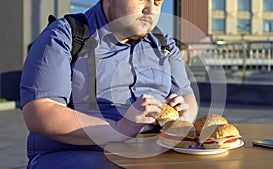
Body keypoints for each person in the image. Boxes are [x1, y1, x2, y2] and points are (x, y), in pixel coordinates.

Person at [20, 0, 198, 168]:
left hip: (152, 153)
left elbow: (187, 96)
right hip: (78, 154)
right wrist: (120, 128)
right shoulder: (64, 35)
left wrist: (183, 118)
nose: (151, 9)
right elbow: (40, 112)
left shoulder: (164, 44)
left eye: (158, 1)